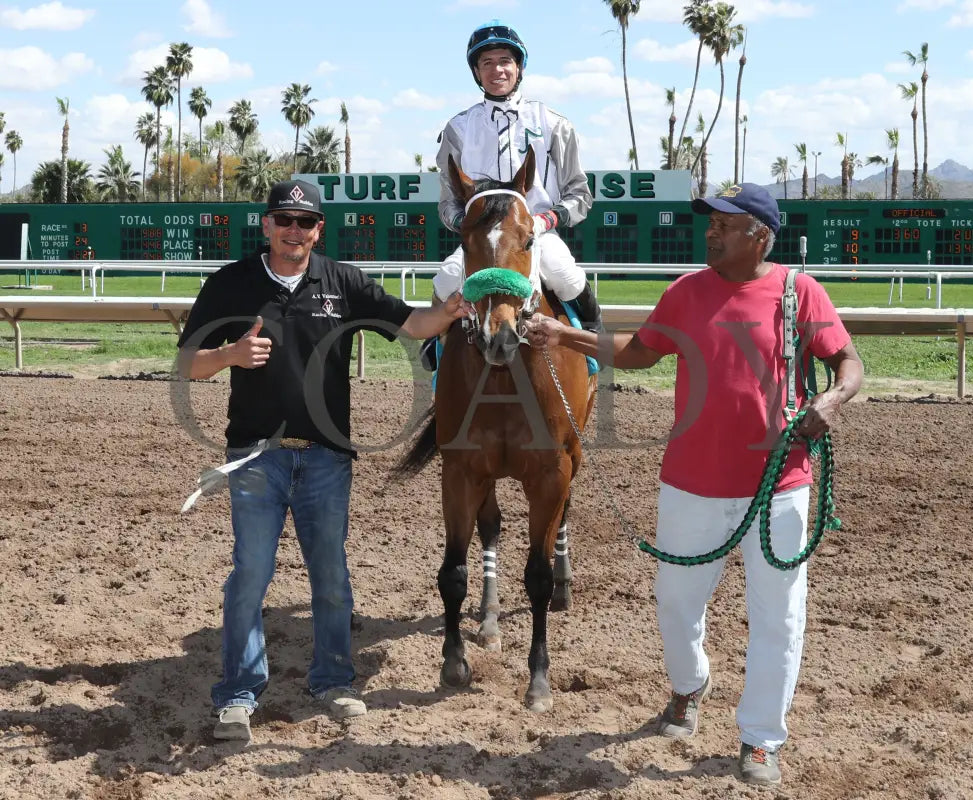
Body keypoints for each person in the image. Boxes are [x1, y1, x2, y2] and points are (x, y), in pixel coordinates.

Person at [523, 183, 863, 786]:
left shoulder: (798, 292)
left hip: (780, 484)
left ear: (760, 234)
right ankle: (690, 685)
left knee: (780, 616)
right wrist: (564, 336)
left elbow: (848, 362)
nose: (710, 232)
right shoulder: (685, 291)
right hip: (690, 483)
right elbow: (637, 353)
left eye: (725, 225)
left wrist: (833, 400)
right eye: (711, 223)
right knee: (676, 605)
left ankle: (760, 739)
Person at [177, 179, 472, 742]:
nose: (294, 230)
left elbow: (411, 325)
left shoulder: (342, 280)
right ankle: (238, 695)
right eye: (283, 219)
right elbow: (188, 364)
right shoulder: (230, 282)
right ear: (266, 225)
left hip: (327, 460)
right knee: (250, 577)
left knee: (331, 576)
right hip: (254, 459)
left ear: (319, 230)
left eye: (305, 222)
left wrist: (453, 311)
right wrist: (231, 355)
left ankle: (334, 681)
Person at [419, 19, 601, 370]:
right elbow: (448, 200)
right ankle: (434, 346)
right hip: (483, 238)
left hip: (534, 234)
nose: (496, 70)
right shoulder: (457, 128)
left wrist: (544, 220)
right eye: (486, 63)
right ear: (476, 71)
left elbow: (580, 194)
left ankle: (594, 336)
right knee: (444, 278)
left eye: (504, 61)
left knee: (565, 274)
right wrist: (464, 223)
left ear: (519, 67)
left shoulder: (554, 124)